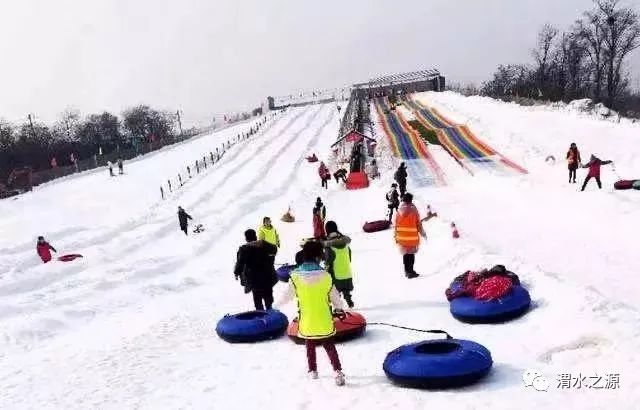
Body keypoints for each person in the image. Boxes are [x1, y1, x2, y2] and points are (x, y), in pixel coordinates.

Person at [274, 241, 346, 386]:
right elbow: (335, 297)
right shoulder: (326, 276)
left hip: (307, 320)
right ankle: (337, 371)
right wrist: (339, 308)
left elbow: (287, 296)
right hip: (324, 319)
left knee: (310, 344)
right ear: (319, 256)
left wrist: (274, 306)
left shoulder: (295, 277)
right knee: (329, 345)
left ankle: (313, 370)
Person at [234, 229, 278, 310]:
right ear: (255, 236)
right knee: (268, 297)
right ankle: (270, 313)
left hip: (254, 278)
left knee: (257, 299)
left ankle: (261, 315)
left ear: (246, 238)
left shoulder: (244, 249)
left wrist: (236, 272)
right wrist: (263, 242)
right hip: (267, 276)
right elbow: (274, 250)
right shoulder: (263, 244)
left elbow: (240, 263)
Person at [394, 193, 426, 279]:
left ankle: (407, 271)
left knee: (405, 255)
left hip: (401, 238)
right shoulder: (413, 210)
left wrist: (395, 236)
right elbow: (418, 224)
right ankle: (411, 271)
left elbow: (396, 225)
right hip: (411, 238)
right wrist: (423, 233)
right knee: (411, 255)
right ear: (411, 200)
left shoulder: (399, 210)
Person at [323, 221, 354, 308]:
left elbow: (328, 261)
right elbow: (349, 258)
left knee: (335, 293)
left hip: (336, 275)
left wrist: (325, 270)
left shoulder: (329, 247)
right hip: (347, 273)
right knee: (346, 290)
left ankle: (338, 308)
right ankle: (349, 302)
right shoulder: (345, 244)